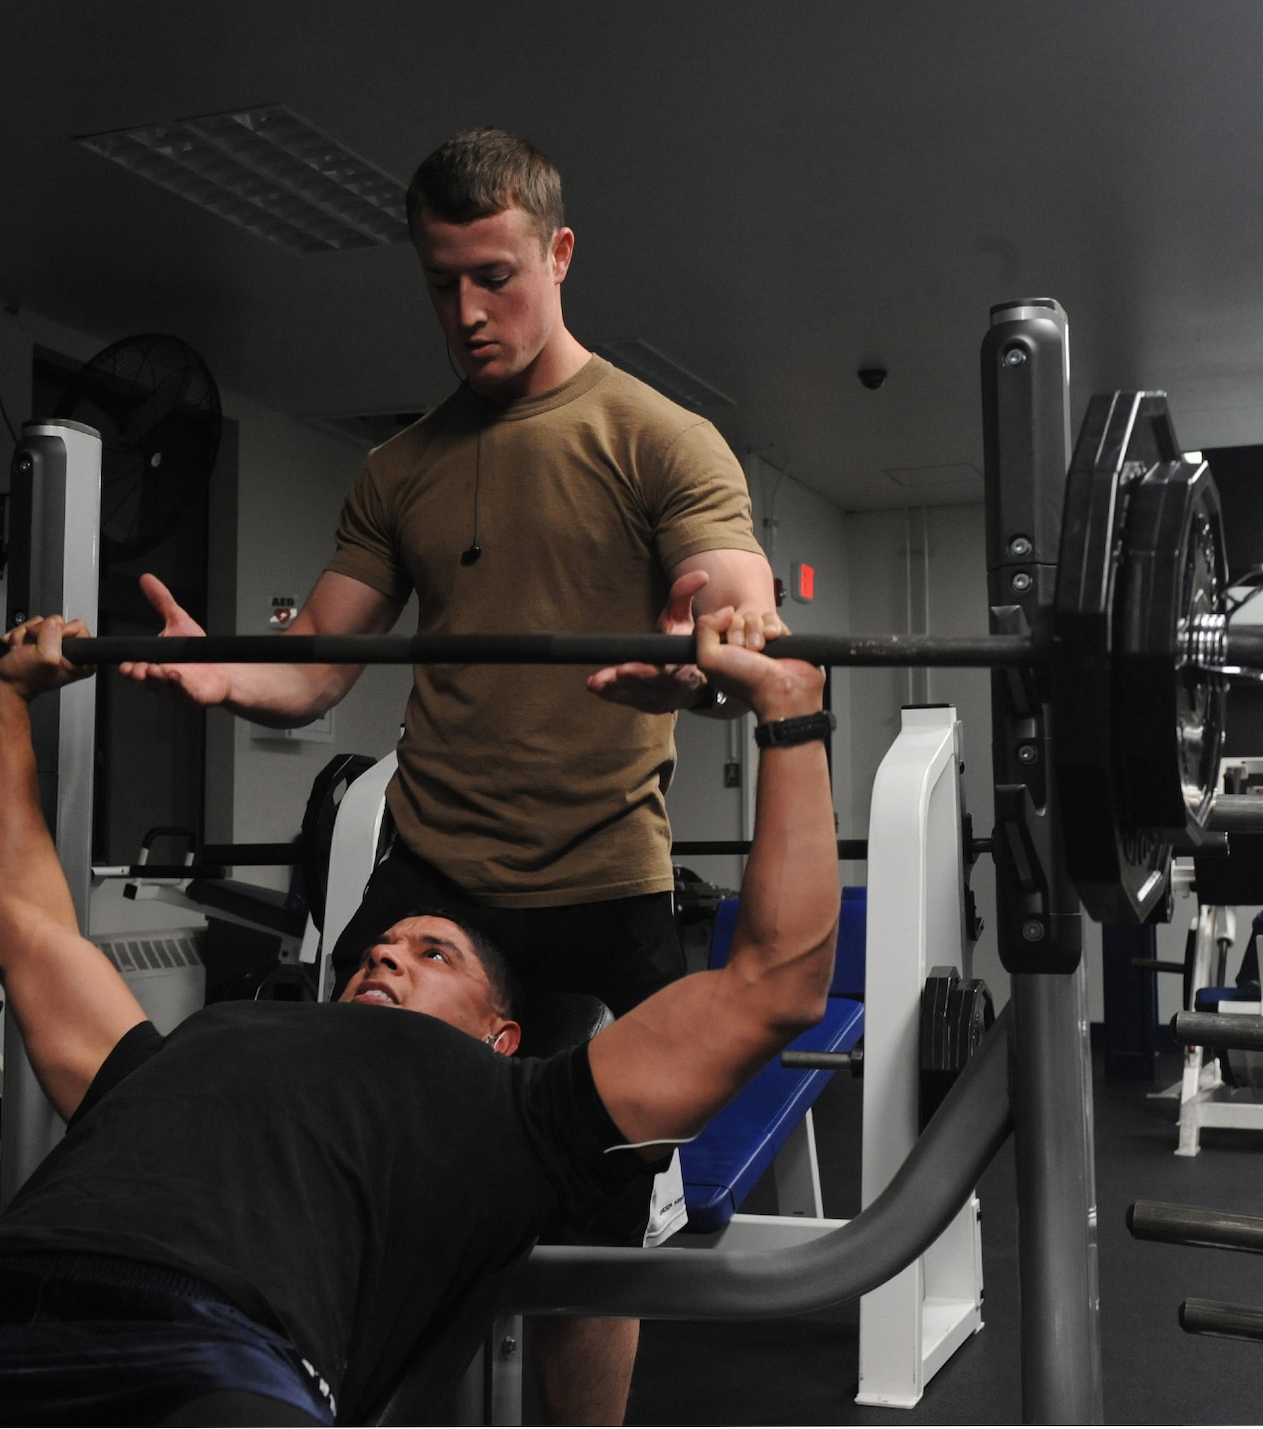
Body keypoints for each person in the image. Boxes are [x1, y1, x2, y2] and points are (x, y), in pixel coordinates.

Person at [0, 608, 836, 1429]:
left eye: (431, 953)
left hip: (213, 1357)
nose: (385, 957)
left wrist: (791, 717)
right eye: (380, 946)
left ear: (501, 1029)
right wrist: (2, 707)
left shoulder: (521, 1108)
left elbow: (775, 978)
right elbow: (31, 926)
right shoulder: (182, 1051)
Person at [119, 128, 783, 1419]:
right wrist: (225, 675)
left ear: (559, 253)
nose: (468, 312)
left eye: (495, 276)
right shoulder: (401, 469)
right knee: (346, 1169)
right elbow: (318, 665)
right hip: (436, 878)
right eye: (441, 283)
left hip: (604, 885)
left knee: (597, 1235)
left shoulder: (660, 436)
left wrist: (703, 650)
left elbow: (729, 595)